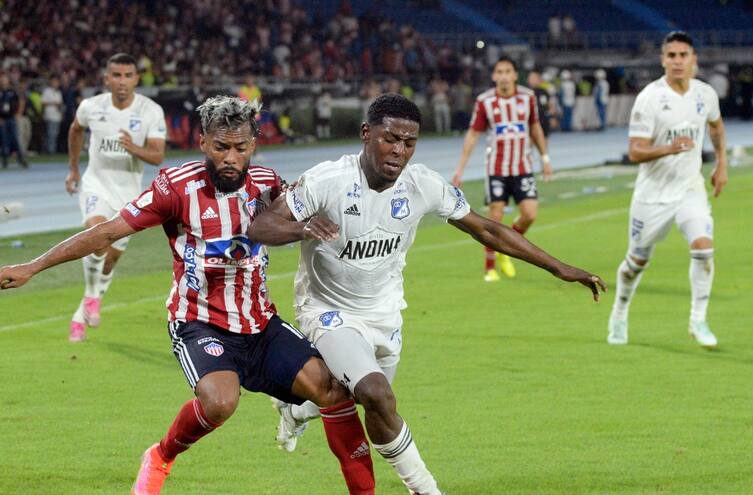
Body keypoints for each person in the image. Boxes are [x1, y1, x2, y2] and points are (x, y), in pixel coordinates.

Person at [0, 95, 375, 495]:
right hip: (199, 321)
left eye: (240, 148)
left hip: (260, 322)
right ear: (203, 142)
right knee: (220, 402)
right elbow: (106, 232)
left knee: (333, 391)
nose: (231, 157)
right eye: (221, 147)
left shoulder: (268, 183)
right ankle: (160, 456)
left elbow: (307, 218)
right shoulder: (175, 187)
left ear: (253, 145)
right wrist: (32, 266)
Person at [247, 93, 606, 495]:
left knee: (367, 402)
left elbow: (486, 228)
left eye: (409, 142)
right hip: (328, 311)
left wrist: (559, 268)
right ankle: (425, 488)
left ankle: (295, 410)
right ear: (367, 134)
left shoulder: (423, 185)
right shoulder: (327, 181)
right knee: (377, 395)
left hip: (385, 313)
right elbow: (261, 228)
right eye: (390, 139)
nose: (399, 151)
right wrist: (302, 228)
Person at [607, 31, 728, 348]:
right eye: (671, 55)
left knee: (703, 249)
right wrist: (669, 149)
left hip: (690, 189)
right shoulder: (649, 98)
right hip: (653, 194)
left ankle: (698, 320)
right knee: (636, 263)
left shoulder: (705, 94)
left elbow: (716, 126)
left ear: (693, 60)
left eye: (683, 55)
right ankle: (619, 313)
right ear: (663, 60)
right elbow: (635, 151)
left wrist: (721, 165)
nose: (677, 61)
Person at [64, 53, 166, 342]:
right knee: (96, 236)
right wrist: (73, 168)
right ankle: (92, 299)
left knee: (109, 260)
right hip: (96, 185)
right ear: (107, 79)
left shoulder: (150, 111)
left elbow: (158, 155)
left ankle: (87, 301)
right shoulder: (91, 107)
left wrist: (134, 147)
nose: (122, 82)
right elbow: (75, 130)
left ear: (136, 79)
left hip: (129, 197)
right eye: (116, 76)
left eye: (128, 76)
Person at [451, 57, 554, 282]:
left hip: (523, 166)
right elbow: (473, 135)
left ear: (515, 75)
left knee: (530, 214)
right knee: (495, 217)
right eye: (500, 71)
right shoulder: (485, 101)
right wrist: (460, 169)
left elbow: (535, 127)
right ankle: (490, 267)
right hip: (496, 168)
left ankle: (507, 248)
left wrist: (545, 158)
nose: (504, 75)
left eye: (508, 71)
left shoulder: (528, 98)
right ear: (494, 76)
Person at [0, 73, 28, 168]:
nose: (3, 81)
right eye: (2, 80)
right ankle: (5, 161)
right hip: (2, 119)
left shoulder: (12, 92)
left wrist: (18, 113)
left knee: (15, 139)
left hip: (11, 118)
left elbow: (21, 101)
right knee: (3, 141)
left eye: (5, 79)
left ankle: (21, 159)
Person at [41, 76, 64, 154]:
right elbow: (43, 103)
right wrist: (53, 103)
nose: (56, 84)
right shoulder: (47, 91)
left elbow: (60, 104)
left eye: (57, 82)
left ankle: (52, 149)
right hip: (49, 115)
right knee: (50, 134)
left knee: (55, 135)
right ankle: (50, 151)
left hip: (57, 116)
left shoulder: (58, 92)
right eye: (54, 82)